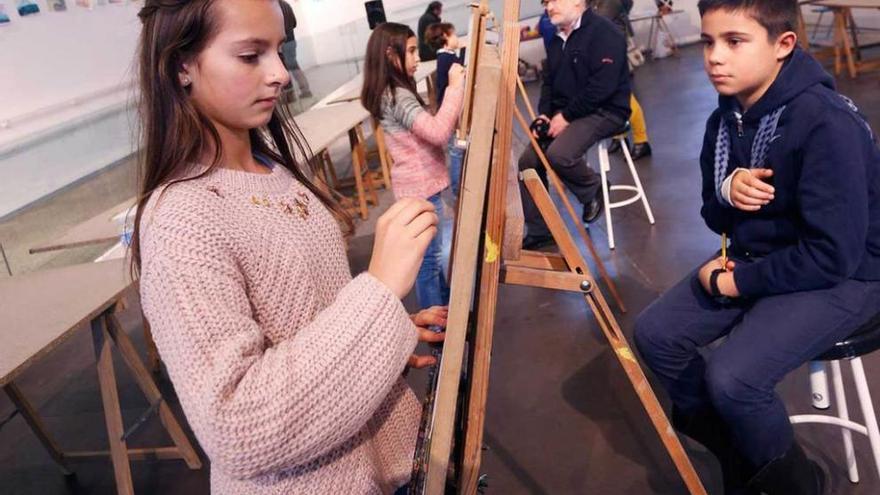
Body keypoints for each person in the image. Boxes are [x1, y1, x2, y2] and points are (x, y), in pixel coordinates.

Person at [131, 1, 446, 493]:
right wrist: (380, 292)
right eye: (250, 55)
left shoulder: (276, 172)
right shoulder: (182, 220)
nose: (280, 73)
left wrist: (385, 332)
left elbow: (303, 322)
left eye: (279, 50)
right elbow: (238, 428)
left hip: (389, 466)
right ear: (182, 66)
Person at [633, 1, 880, 493]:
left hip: (850, 274)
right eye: (707, 41)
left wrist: (732, 281)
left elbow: (833, 256)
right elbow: (712, 212)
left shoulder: (825, 122)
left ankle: (796, 484)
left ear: (783, 45)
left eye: (734, 41)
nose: (714, 57)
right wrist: (728, 190)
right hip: (767, 257)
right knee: (655, 334)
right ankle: (744, 456)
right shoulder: (726, 120)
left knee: (733, 378)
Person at [361, 22, 465, 309]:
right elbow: (438, 132)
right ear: (390, 55)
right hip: (420, 188)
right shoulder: (397, 94)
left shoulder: (389, 91)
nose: (417, 57)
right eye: (411, 50)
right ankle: (440, 330)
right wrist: (455, 88)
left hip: (415, 186)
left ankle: (444, 319)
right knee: (429, 262)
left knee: (430, 260)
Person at [518, 0, 631, 250]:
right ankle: (539, 229)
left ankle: (594, 189)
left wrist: (566, 116)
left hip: (606, 110)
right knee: (528, 162)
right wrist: (545, 115)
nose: (548, 7)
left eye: (554, 0)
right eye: (545, 2)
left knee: (559, 154)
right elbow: (549, 83)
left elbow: (602, 87)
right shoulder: (557, 39)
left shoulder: (604, 32)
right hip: (571, 113)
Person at [591, 0, 653, 160]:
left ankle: (641, 141)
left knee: (623, 96)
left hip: (613, 47)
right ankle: (620, 138)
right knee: (612, 96)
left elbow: (597, 21)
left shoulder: (610, 3)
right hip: (603, 48)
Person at [425, 22, 466, 197]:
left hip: (450, 109)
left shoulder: (445, 57)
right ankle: (458, 190)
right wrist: (464, 50)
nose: (457, 38)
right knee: (456, 152)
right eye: (454, 34)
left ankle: (459, 187)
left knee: (456, 150)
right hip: (450, 111)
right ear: (445, 38)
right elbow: (461, 68)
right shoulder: (446, 59)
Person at [278, 0, 312, 99]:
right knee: (293, 65)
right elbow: (294, 23)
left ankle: (291, 95)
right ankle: (305, 90)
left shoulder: (274, 7)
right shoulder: (286, 5)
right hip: (291, 40)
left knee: (286, 67)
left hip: (282, 42)